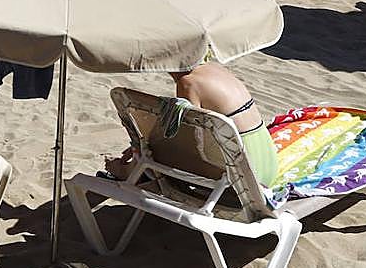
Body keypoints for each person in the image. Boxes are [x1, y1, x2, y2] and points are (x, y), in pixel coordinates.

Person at [103, 62, 278, 187]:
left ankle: (128, 172)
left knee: (158, 149)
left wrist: (143, 148)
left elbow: (187, 140)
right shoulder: (214, 69)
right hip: (266, 163)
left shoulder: (188, 83)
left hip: (240, 176)